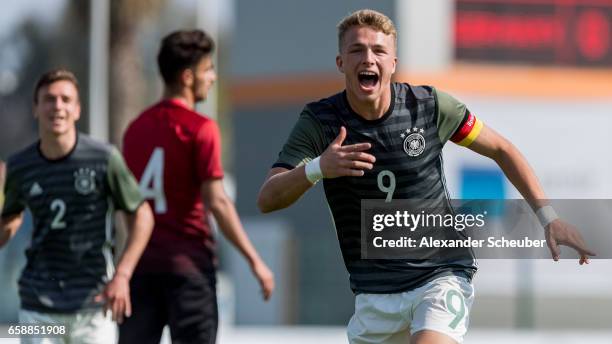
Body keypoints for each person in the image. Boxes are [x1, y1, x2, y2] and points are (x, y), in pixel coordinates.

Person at [257, 9, 595, 344]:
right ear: (340, 62)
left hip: (439, 276)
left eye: (379, 51)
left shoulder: (430, 107)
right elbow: (268, 198)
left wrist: (549, 217)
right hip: (374, 295)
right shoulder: (320, 121)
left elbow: (502, 150)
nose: (368, 59)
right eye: (357, 50)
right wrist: (318, 169)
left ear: (393, 63)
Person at [120, 29, 275, 344]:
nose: (213, 78)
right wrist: (254, 261)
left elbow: (129, 206)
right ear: (188, 77)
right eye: (209, 69)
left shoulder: (134, 129)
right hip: (188, 271)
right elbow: (217, 202)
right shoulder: (200, 129)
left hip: (143, 271)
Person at [0, 69, 154, 343]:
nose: (57, 106)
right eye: (49, 99)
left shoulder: (104, 158)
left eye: (65, 99)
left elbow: (142, 215)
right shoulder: (19, 166)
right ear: (36, 108)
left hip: (95, 307)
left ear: (78, 109)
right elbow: (9, 222)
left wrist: (123, 274)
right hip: (37, 308)